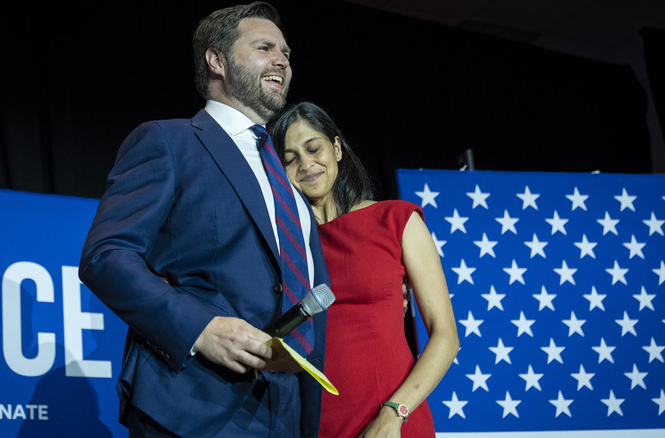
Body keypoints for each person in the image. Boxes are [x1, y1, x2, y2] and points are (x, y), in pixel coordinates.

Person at [78, 4, 331, 437]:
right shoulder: (168, 141)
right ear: (217, 61)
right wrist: (201, 328)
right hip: (192, 406)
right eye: (265, 47)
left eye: (286, 53)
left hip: (285, 414)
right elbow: (106, 256)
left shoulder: (288, 182)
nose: (282, 61)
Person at [270, 102, 459, 438]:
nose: (306, 164)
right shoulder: (284, 247)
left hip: (393, 420)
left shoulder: (396, 220)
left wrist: (395, 413)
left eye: (314, 148)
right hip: (312, 424)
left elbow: (446, 336)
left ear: (337, 148)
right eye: (290, 158)